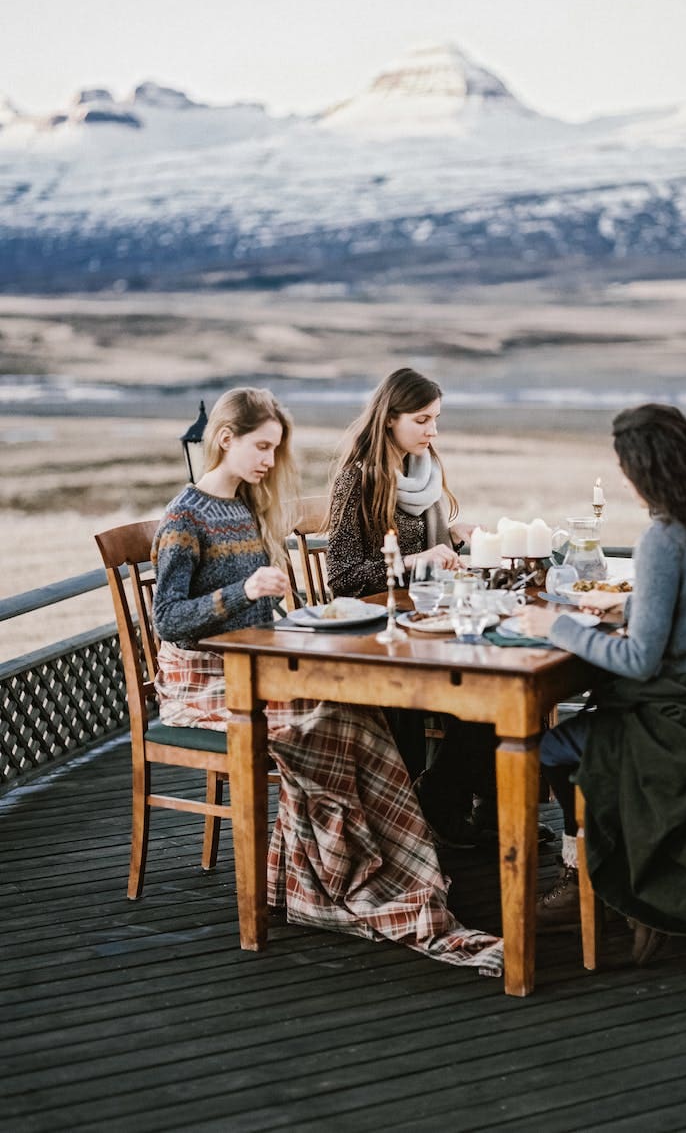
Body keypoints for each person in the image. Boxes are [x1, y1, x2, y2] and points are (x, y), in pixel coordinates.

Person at [150, 385, 501, 976]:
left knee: (358, 712)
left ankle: (381, 864)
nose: (267, 460)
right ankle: (349, 875)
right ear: (225, 439)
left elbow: (259, 616)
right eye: (260, 447)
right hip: (207, 679)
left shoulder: (248, 508)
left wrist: (277, 607)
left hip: (259, 660)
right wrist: (244, 591)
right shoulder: (185, 517)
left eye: (275, 450)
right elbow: (168, 619)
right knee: (334, 722)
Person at [518, 404, 686, 965]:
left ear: (648, 469)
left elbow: (638, 662)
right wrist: (629, 603)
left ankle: (593, 880)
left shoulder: (663, 539)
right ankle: (598, 871)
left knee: (541, 749)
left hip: (675, 731)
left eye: (627, 466)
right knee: (575, 732)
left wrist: (556, 625)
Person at [326, 367, 500, 848]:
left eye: (436, 419)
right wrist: (415, 559)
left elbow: (429, 551)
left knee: (488, 692)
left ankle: (462, 808)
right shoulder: (356, 479)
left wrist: (456, 537)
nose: (433, 431)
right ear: (389, 419)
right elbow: (341, 579)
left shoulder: (424, 470)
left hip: (421, 621)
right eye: (422, 420)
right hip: (374, 634)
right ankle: (435, 806)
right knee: (475, 700)